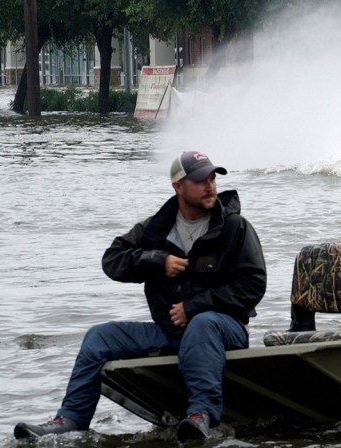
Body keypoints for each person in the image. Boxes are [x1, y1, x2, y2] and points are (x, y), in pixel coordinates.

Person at [14, 151, 266, 442]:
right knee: (100, 337)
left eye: (212, 178)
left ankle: (201, 415)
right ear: (178, 187)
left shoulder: (236, 227)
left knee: (203, 323)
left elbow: (253, 285)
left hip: (224, 330)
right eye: (200, 180)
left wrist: (195, 306)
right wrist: (157, 262)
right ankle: (70, 419)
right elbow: (112, 260)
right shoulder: (154, 229)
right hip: (170, 333)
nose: (209, 186)